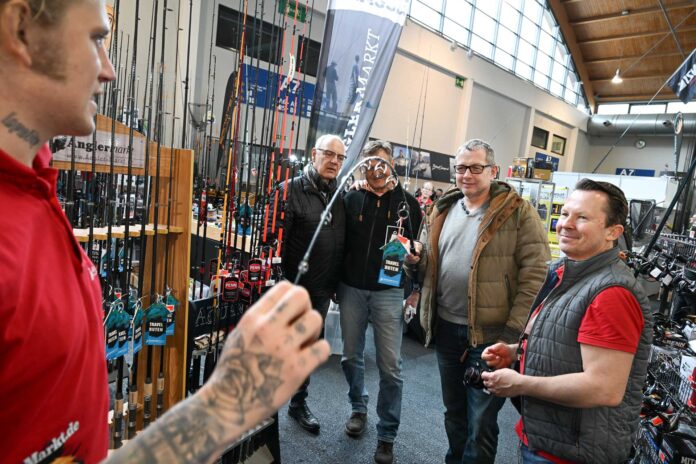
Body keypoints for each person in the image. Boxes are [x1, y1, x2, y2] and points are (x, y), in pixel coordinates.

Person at [0, 1, 329, 462]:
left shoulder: (36, 189)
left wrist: (222, 407)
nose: (109, 70)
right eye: (96, 39)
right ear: (20, 28)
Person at [481, 179, 653, 464]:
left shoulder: (611, 293)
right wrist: (516, 351)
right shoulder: (567, 272)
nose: (566, 224)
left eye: (582, 217)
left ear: (613, 232)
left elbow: (603, 388)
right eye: (565, 214)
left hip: (573, 452)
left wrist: (521, 383)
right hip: (549, 438)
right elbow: (566, 340)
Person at [404, 139, 550, 464]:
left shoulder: (518, 212)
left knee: (481, 420)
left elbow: (535, 276)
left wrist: (513, 334)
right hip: (445, 330)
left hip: (491, 337)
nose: (466, 174)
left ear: (493, 171)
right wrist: (414, 260)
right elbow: (431, 263)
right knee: (454, 412)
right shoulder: (442, 209)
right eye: (460, 168)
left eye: (475, 167)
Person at [339, 140, 421, 464]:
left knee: (391, 367)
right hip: (350, 290)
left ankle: (387, 434)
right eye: (370, 163)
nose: (375, 169)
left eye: (382, 163)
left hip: (389, 293)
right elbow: (339, 243)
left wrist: (415, 260)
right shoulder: (351, 198)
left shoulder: (408, 204)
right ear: (363, 166)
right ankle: (358, 407)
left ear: (392, 167)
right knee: (349, 356)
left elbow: (417, 250)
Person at [269, 133, 346, 434]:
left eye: (340, 158)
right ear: (314, 154)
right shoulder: (287, 191)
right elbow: (272, 243)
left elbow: (342, 241)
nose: (334, 162)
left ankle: (298, 403)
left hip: (323, 290)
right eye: (329, 154)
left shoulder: (340, 193)